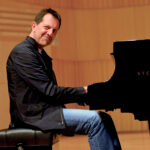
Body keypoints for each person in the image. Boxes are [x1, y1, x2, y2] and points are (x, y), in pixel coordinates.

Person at [6, 8, 122, 150]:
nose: (50, 33)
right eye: (47, 28)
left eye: (54, 31)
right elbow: (50, 92)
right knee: (96, 121)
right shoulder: (23, 53)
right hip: (34, 117)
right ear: (34, 26)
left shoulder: (40, 54)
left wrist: (86, 97)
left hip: (45, 112)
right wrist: (85, 91)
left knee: (105, 119)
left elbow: (49, 93)